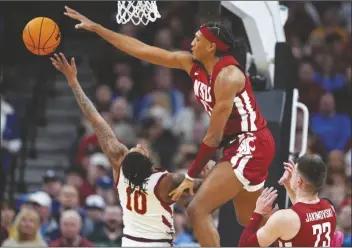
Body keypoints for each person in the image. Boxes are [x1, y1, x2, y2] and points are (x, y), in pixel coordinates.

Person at [63, 6, 276, 246]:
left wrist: (192, 174)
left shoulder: (228, 77)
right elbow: (143, 50)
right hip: (238, 145)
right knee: (249, 218)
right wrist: (99, 29)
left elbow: (213, 136)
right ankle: (296, 235)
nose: (192, 41)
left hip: (251, 142)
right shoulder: (190, 63)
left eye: (198, 39)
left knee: (197, 210)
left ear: (212, 46)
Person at [50, 53, 207, 247]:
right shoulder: (165, 180)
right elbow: (203, 184)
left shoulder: (122, 178)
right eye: (140, 149)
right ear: (150, 162)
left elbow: (96, 120)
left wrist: (73, 82)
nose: (139, 145)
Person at [238, 155, 338, 247]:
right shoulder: (329, 207)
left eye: (293, 172)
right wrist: (288, 185)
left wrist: (258, 213)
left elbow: (245, 245)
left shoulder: (284, 218)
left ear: (299, 181)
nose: (290, 174)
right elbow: (304, 216)